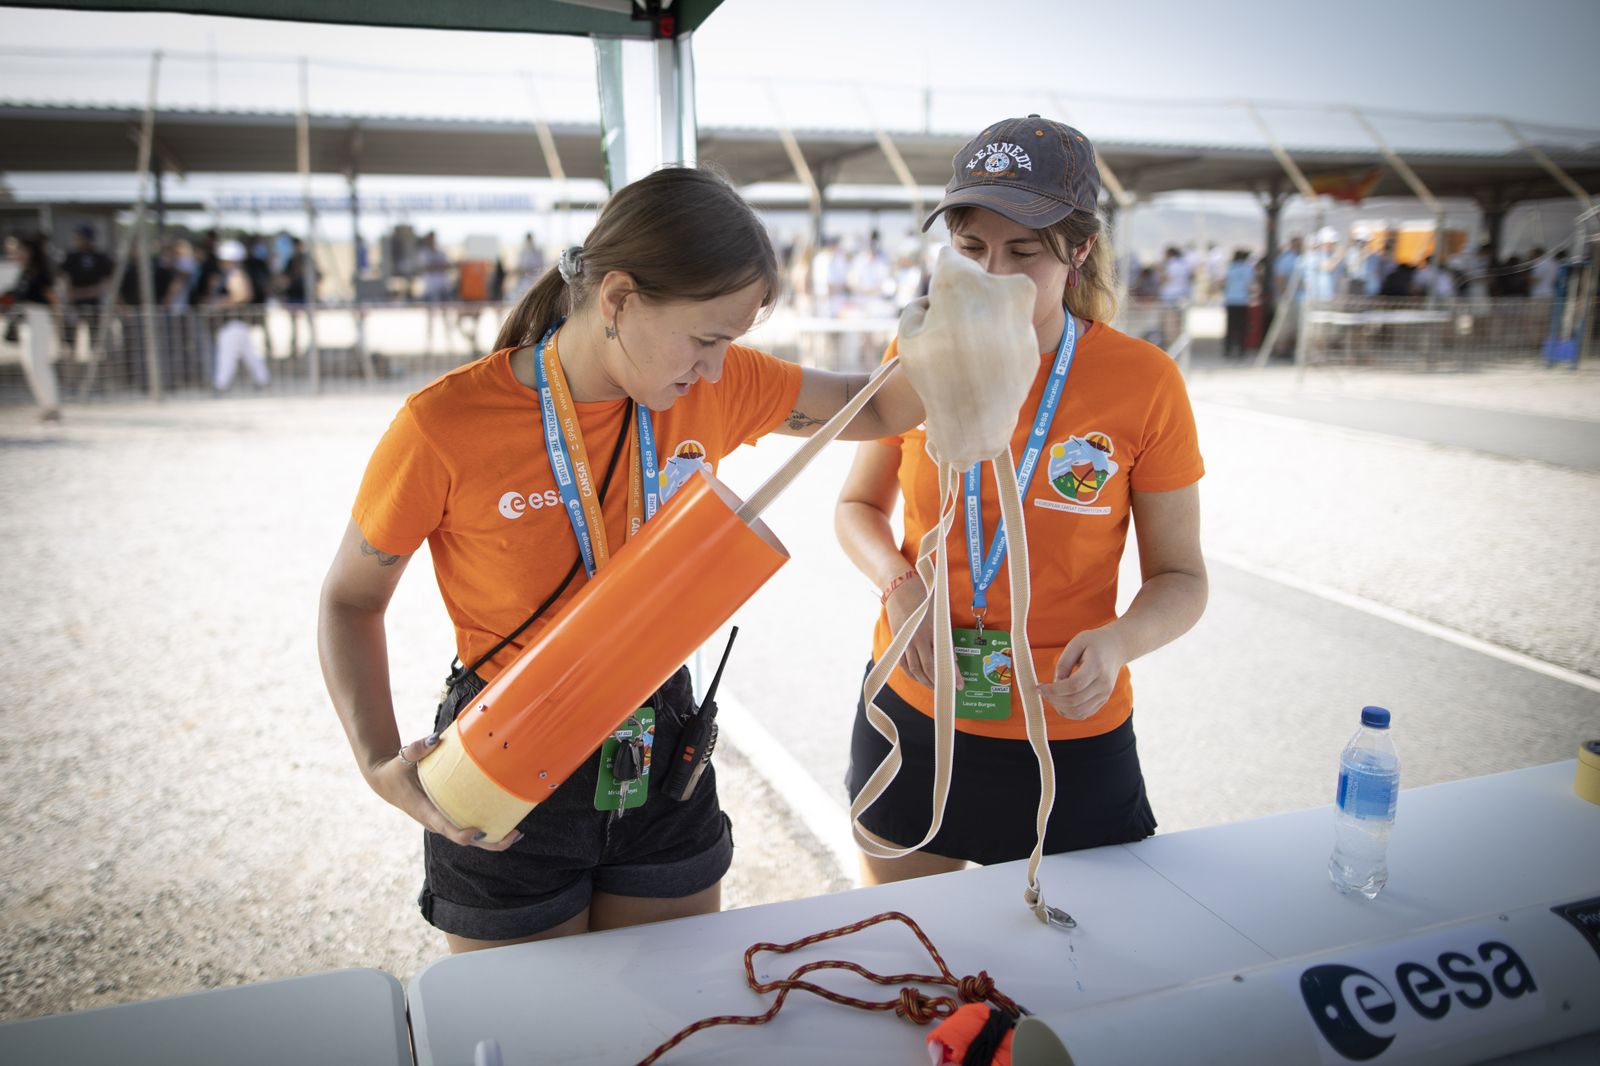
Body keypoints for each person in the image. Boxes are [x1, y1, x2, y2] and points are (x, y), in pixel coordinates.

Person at [317, 166, 924, 953]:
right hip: (507, 744)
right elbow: (349, 600)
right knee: (537, 1034)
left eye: (729, 344)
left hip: (660, 736)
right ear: (618, 299)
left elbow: (869, 404)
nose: (714, 367)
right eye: (705, 339)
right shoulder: (445, 424)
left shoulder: (718, 383)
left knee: (664, 1016)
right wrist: (375, 758)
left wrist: (968, 327)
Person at [834, 116, 1208, 885]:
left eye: (1023, 252)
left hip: (1065, 731)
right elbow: (856, 509)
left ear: (1078, 251)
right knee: (915, 967)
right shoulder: (917, 350)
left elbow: (1182, 578)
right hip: (916, 710)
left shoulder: (1144, 382)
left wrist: (1117, 644)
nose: (990, 274)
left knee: (1081, 982)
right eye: (971, 249)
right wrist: (902, 589)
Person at [4, 233, 64, 420]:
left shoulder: (41, 273)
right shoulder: (23, 273)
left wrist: (58, 326)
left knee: (38, 363)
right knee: (30, 363)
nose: (12, 254)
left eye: (16, 250)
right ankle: (46, 406)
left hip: (39, 319)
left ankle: (52, 406)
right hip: (26, 321)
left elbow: (54, 300)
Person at [210, 239, 269, 392]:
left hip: (234, 321)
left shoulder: (235, 275)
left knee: (227, 354)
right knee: (249, 352)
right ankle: (262, 378)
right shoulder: (234, 274)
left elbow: (243, 295)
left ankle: (221, 384)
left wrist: (221, 303)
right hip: (237, 322)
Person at [59, 224, 114, 359]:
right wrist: (71, 293)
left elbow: (107, 281)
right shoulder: (71, 256)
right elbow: (64, 277)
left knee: (95, 330)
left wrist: (89, 292)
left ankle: (96, 358)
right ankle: (70, 355)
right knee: (70, 329)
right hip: (74, 301)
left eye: (81, 237)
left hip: (94, 300)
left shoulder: (100, 257)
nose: (78, 240)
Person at [1222, 248, 1254, 360]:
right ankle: (1241, 349)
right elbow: (1250, 284)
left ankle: (1228, 349)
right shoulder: (1247, 268)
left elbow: (1224, 282)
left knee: (1230, 326)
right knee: (1242, 327)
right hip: (1242, 300)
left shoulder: (1230, 268)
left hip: (1230, 300)